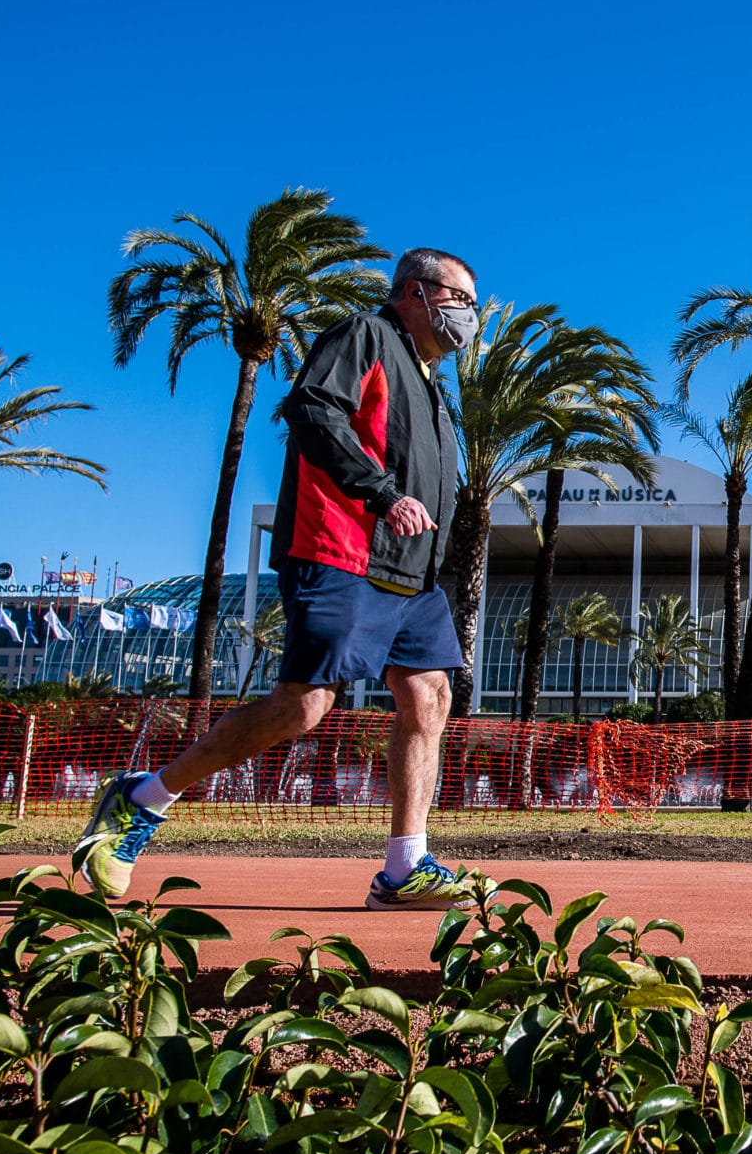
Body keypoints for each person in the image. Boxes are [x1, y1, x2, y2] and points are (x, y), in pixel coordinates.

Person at [76, 248, 479, 909]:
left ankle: (406, 866)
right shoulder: (367, 335)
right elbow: (314, 409)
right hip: (344, 552)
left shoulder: (433, 384)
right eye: (460, 299)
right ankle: (142, 798)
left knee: (428, 695)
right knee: (303, 707)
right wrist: (382, 494)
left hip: (414, 577)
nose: (468, 316)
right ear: (416, 292)